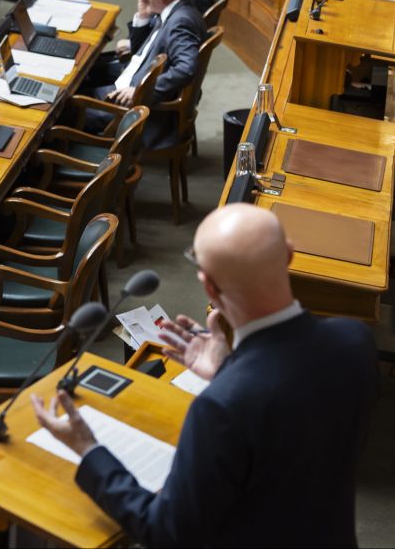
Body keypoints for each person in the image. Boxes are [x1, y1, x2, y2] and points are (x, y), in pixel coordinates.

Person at [32, 203, 378, 547]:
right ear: (288, 255)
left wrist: (88, 449)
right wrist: (230, 369)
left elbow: (165, 532)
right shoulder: (355, 341)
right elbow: (300, 430)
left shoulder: (220, 408)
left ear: (209, 288)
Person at [84, 0, 206, 150]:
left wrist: (141, 91)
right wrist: (143, 15)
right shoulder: (173, 10)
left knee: (61, 109)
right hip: (125, 88)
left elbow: (185, 68)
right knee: (78, 86)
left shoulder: (181, 22)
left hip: (132, 108)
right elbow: (141, 54)